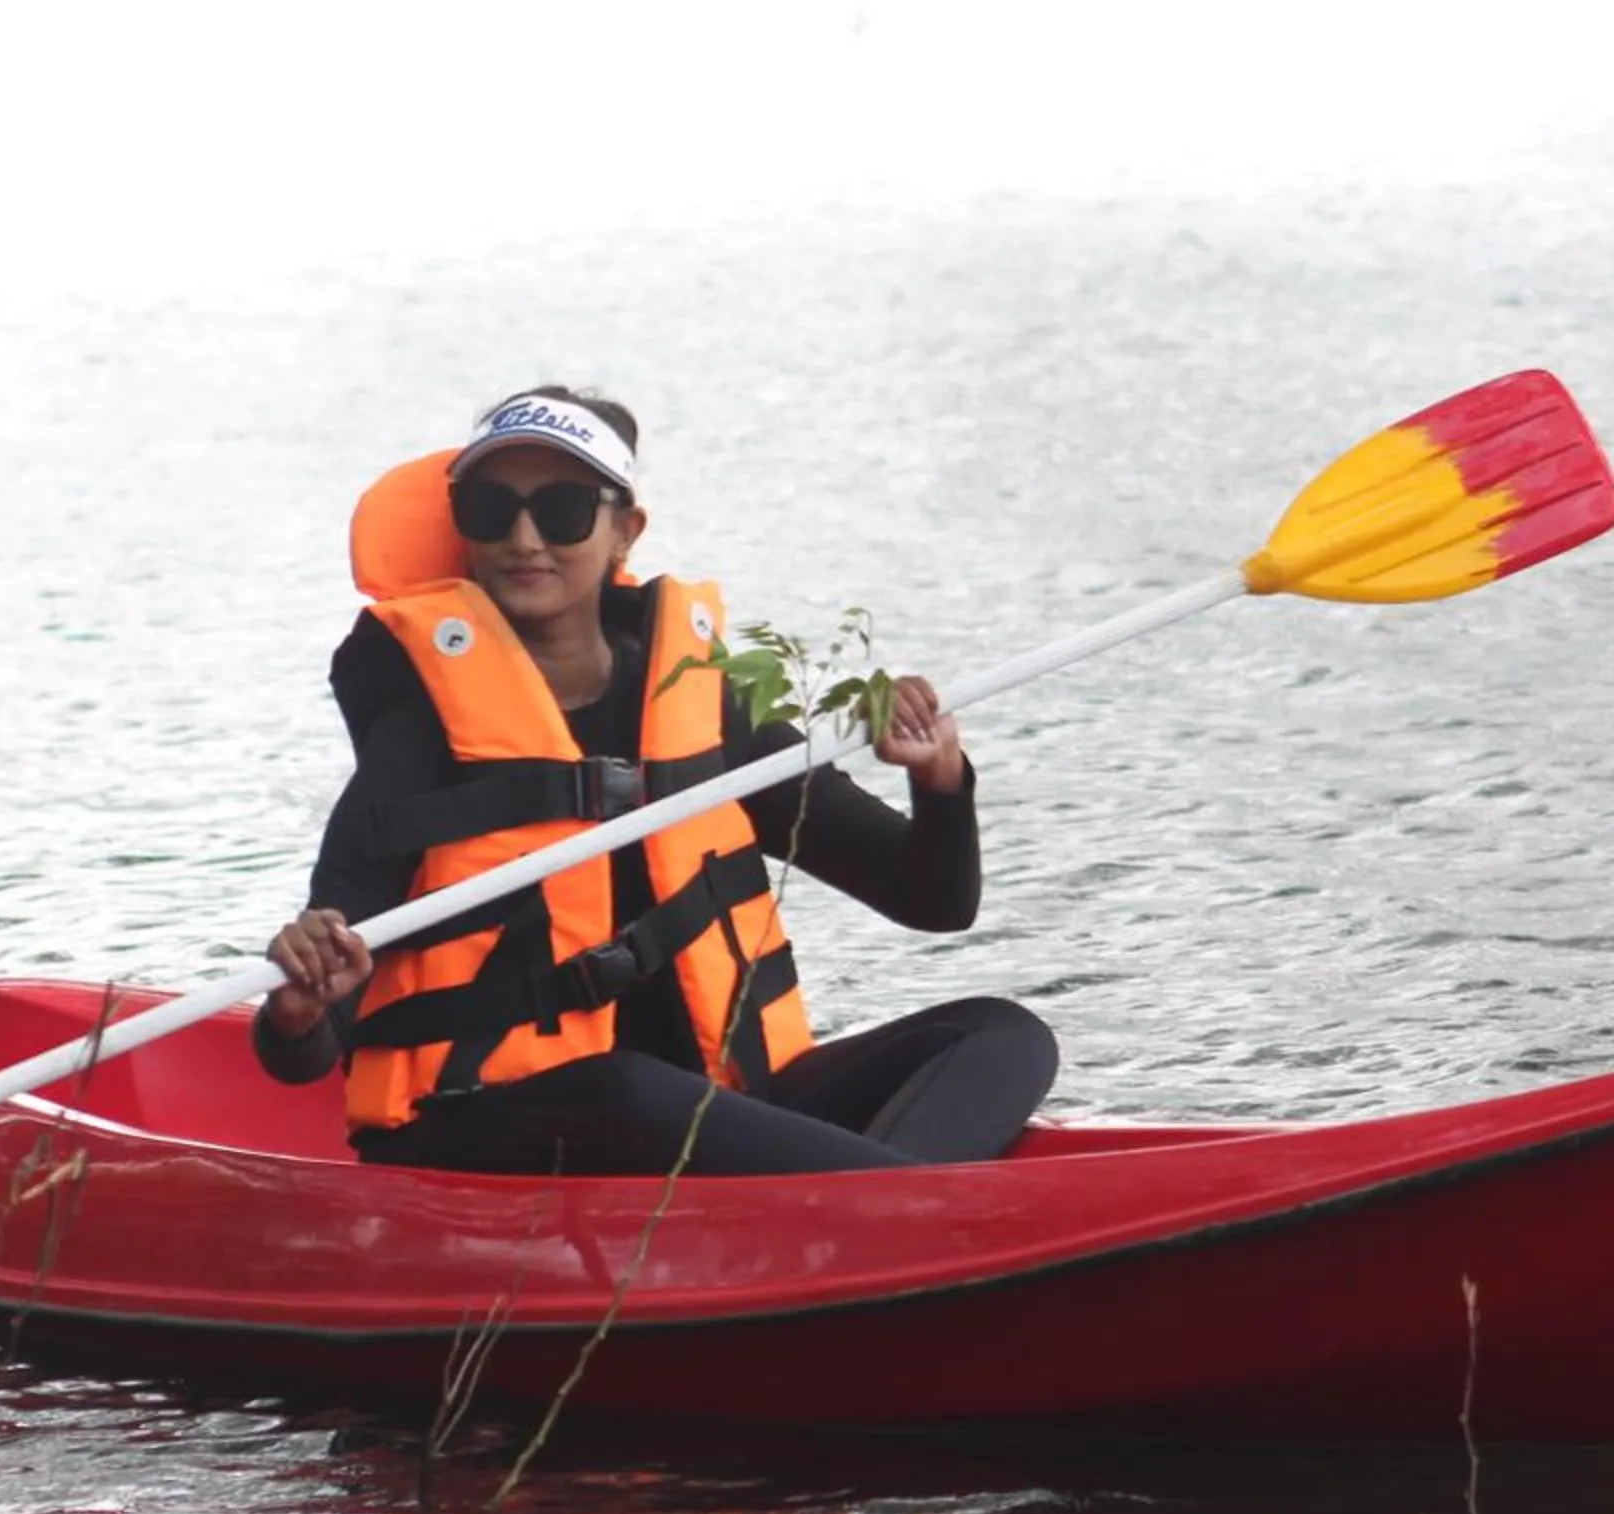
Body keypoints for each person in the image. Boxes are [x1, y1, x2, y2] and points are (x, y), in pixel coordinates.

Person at [256, 385, 1058, 1176]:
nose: (525, 537)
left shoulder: (702, 707)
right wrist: (299, 1008)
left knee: (1003, 1034)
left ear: (623, 532)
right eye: (492, 509)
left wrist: (941, 782)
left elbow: (934, 902)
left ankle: (882, 1213)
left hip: (709, 1105)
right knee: (628, 1089)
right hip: (488, 1129)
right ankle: (920, 1215)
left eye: (564, 509)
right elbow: (301, 1052)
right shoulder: (419, 744)